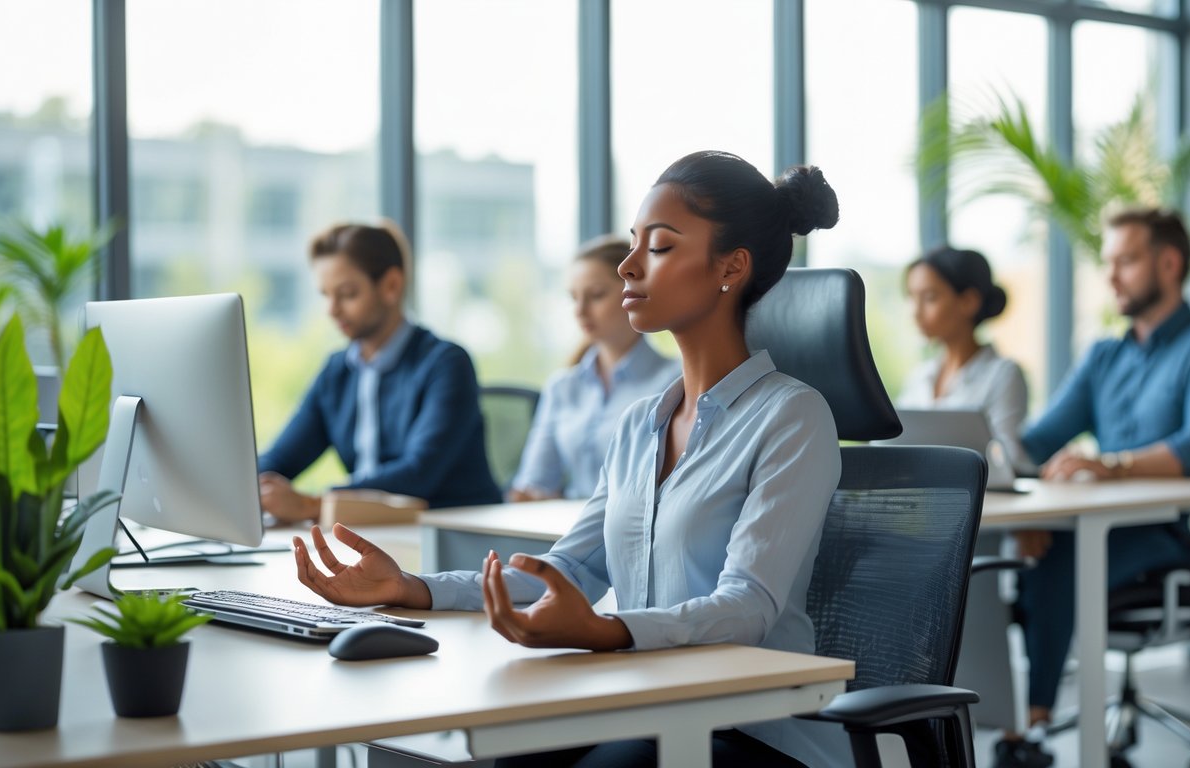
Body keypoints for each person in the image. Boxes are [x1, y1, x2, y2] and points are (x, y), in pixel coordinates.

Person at [291, 151, 849, 767]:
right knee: (483, 753)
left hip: (753, 728)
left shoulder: (792, 418)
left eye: (658, 248)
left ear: (731, 267)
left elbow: (746, 608)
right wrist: (412, 588)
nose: (628, 266)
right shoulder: (641, 423)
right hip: (640, 700)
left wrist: (607, 632)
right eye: (633, 243)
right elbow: (571, 570)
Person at [995, 208, 1190, 768]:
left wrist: (1112, 464)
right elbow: (1038, 442)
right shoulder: (1105, 356)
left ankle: (1033, 727)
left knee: (1058, 555)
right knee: (1015, 551)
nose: (1112, 277)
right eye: (1108, 263)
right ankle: (994, 712)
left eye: (1126, 261)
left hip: (1169, 538)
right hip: (1095, 526)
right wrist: (987, 448)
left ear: (1169, 262)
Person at [258, 222, 501, 522]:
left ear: (391, 286)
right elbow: (281, 459)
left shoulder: (446, 363)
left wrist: (312, 504)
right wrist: (249, 486)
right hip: (371, 534)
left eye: (346, 294)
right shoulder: (337, 371)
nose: (331, 310)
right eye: (325, 295)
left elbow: (416, 475)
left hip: (449, 538)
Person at [507, 235, 680, 502]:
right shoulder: (563, 386)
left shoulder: (674, 381)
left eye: (596, 295)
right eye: (573, 297)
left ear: (633, 291)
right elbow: (534, 485)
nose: (580, 310)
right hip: (565, 530)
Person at [898, 245, 1029, 461]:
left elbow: (1008, 458)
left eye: (929, 298)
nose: (915, 312)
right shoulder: (920, 377)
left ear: (968, 301)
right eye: (912, 297)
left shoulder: (1003, 375)